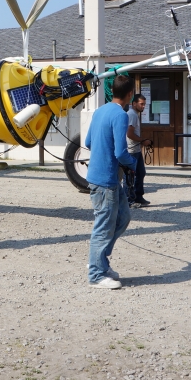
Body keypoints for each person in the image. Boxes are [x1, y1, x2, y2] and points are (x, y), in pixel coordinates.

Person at [84, 75, 137, 290]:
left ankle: (100, 261)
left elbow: (87, 142)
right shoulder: (121, 115)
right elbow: (120, 152)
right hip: (106, 180)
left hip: (105, 178)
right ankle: (95, 274)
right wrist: (133, 164)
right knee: (104, 228)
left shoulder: (100, 111)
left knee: (123, 218)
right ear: (130, 94)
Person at [126, 93, 152, 207]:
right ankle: (129, 200)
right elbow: (129, 133)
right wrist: (143, 141)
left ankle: (138, 197)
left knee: (140, 173)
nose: (143, 106)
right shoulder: (132, 115)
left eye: (144, 104)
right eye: (141, 104)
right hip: (131, 150)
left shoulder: (134, 115)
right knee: (130, 176)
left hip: (135, 149)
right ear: (134, 103)